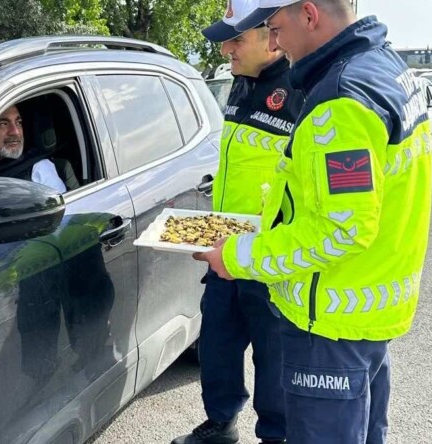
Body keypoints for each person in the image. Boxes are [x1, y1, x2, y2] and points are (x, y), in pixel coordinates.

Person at [195, 1, 432, 443]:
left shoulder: (341, 100)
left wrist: (239, 255)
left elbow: (342, 228)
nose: (274, 40)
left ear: (308, 14)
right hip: (366, 311)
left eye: (275, 26)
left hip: (329, 320)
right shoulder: (384, 69)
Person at [173, 1, 303, 444]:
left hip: (266, 255)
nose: (226, 49)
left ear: (272, 37)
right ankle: (221, 423)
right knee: (217, 348)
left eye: (236, 39)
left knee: (273, 357)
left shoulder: (300, 89)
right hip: (224, 249)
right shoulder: (240, 83)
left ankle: (275, 435)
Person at [0, 105, 78, 193]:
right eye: (3, 124)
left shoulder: (38, 169)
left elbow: (62, 216)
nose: (15, 132)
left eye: (18, 123)